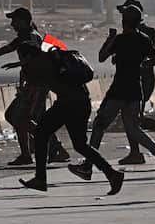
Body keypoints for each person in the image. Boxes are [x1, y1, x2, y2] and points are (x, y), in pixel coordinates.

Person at [17, 40, 124, 195]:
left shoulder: (38, 64)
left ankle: (40, 178)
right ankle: (112, 174)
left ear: (26, 56)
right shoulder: (54, 57)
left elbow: (36, 83)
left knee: (40, 133)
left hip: (67, 103)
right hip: (82, 102)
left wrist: (24, 70)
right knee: (80, 145)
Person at [80, 0, 155, 179]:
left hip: (119, 89)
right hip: (136, 89)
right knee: (133, 128)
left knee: (100, 125)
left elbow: (101, 57)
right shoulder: (144, 39)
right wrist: (142, 64)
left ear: (123, 22)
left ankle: (89, 164)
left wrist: (109, 39)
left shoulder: (120, 40)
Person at [0, 7, 55, 167]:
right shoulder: (25, 37)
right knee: (23, 118)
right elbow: (4, 52)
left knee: (19, 118)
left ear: (23, 21)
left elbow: (38, 57)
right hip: (32, 85)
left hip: (37, 85)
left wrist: (19, 63)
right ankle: (31, 152)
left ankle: (49, 148)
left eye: (15, 20)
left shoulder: (29, 37)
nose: (12, 24)